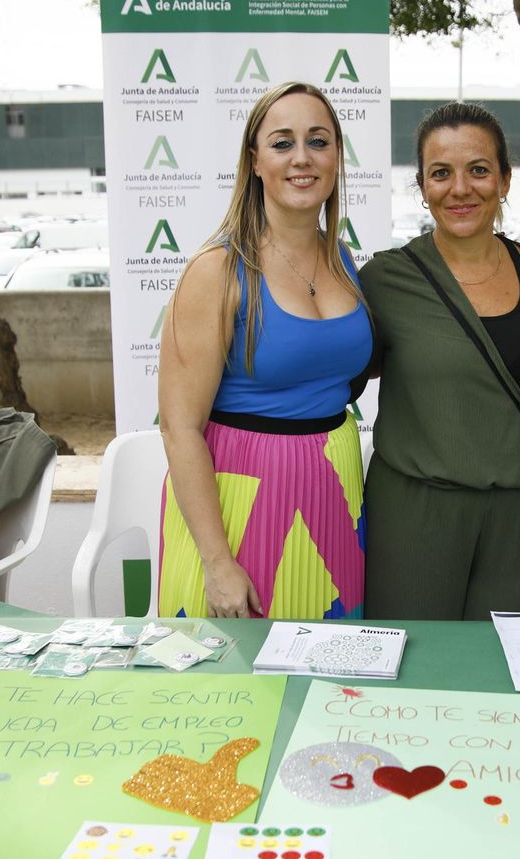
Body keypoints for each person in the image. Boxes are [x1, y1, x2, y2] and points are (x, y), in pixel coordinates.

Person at [158, 82, 372, 620]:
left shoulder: (342, 258)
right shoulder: (218, 270)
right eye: (282, 143)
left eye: (318, 141)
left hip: (335, 493)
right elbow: (179, 427)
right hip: (240, 505)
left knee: (328, 684)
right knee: (232, 690)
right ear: (254, 160)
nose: (302, 158)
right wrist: (216, 560)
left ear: (337, 157)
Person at [359, 102, 520, 619]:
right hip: (416, 514)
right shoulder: (385, 280)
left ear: (505, 180)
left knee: (507, 669)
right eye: (441, 173)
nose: (460, 189)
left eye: (478, 170)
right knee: (416, 672)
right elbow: (345, 371)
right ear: (422, 187)